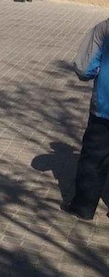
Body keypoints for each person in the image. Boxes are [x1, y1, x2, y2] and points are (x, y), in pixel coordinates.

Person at [63, 17, 109, 221]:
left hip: (105, 105)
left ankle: (83, 206)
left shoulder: (105, 28)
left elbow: (84, 67)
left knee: (94, 155)